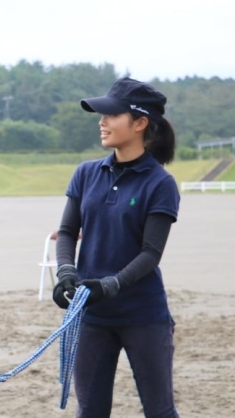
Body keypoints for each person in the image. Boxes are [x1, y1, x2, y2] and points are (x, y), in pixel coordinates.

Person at [52, 77, 180, 417]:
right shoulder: (85, 174)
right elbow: (66, 232)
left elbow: (151, 254)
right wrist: (66, 271)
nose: (102, 121)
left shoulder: (160, 184)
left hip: (144, 316)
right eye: (101, 114)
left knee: (160, 411)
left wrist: (111, 285)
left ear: (140, 123)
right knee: (90, 411)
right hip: (92, 315)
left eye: (112, 115)